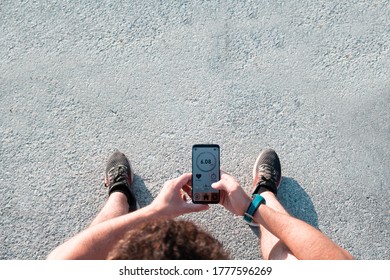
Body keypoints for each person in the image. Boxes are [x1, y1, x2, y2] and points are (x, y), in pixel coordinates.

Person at [47, 149, 353, 260]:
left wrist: (153, 212)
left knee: (106, 232)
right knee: (286, 257)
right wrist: (252, 206)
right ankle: (265, 196)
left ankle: (121, 197)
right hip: (252, 209)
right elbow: (336, 266)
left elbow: (62, 262)